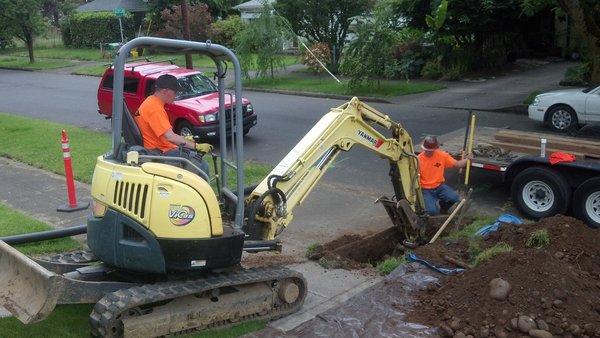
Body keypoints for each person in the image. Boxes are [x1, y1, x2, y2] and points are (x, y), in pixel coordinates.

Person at [135, 74, 212, 177]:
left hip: (158, 148)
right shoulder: (155, 108)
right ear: (165, 91)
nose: (176, 95)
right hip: (160, 152)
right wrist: (196, 146)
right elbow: (170, 137)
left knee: (194, 159)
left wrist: (183, 139)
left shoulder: (150, 102)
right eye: (175, 92)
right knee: (202, 166)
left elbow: (162, 133)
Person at [417, 135, 472, 216]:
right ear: (423, 148)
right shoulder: (418, 160)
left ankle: (444, 208)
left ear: (435, 149)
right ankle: (430, 208)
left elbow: (457, 164)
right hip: (425, 190)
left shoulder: (442, 155)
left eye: (431, 150)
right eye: (427, 150)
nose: (429, 152)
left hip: (439, 186)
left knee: (454, 198)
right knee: (432, 212)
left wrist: (467, 159)